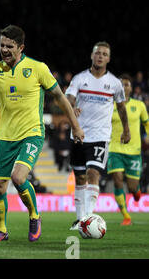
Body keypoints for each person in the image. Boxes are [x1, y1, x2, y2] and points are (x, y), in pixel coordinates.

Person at [0, 25, 84, 242]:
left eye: (9, 46)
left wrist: (76, 126)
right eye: (1, 45)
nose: (4, 50)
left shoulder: (37, 68)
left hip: (31, 133)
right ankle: (2, 230)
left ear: (21, 47)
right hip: (6, 136)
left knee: (18, 176)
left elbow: (60, 97)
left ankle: (34, 216)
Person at [66, 41, 130, 230]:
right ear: (92, 56)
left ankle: (87, 219)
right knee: (79, 178)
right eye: (97, 53)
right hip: (79, 134)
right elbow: (68, 98)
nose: (100, 56)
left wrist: (126, 129)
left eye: (104, 54)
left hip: (100, 136)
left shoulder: (115, 83)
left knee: (93, 173)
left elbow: (121, 107)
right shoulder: (79, 79)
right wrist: (71, 107)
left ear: (108, 59)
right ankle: (79, 219)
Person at [107, 74, 149, 225]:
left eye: (127, 84)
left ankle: (136, 192)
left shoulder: (139, 105)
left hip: (134, 151)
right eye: (121, 84)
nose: (124, 87)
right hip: (114, 149)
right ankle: (126, 216)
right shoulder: (110, 105)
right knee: (117, 179)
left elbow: (147, 123)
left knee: (132, 188)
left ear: (131, 88)